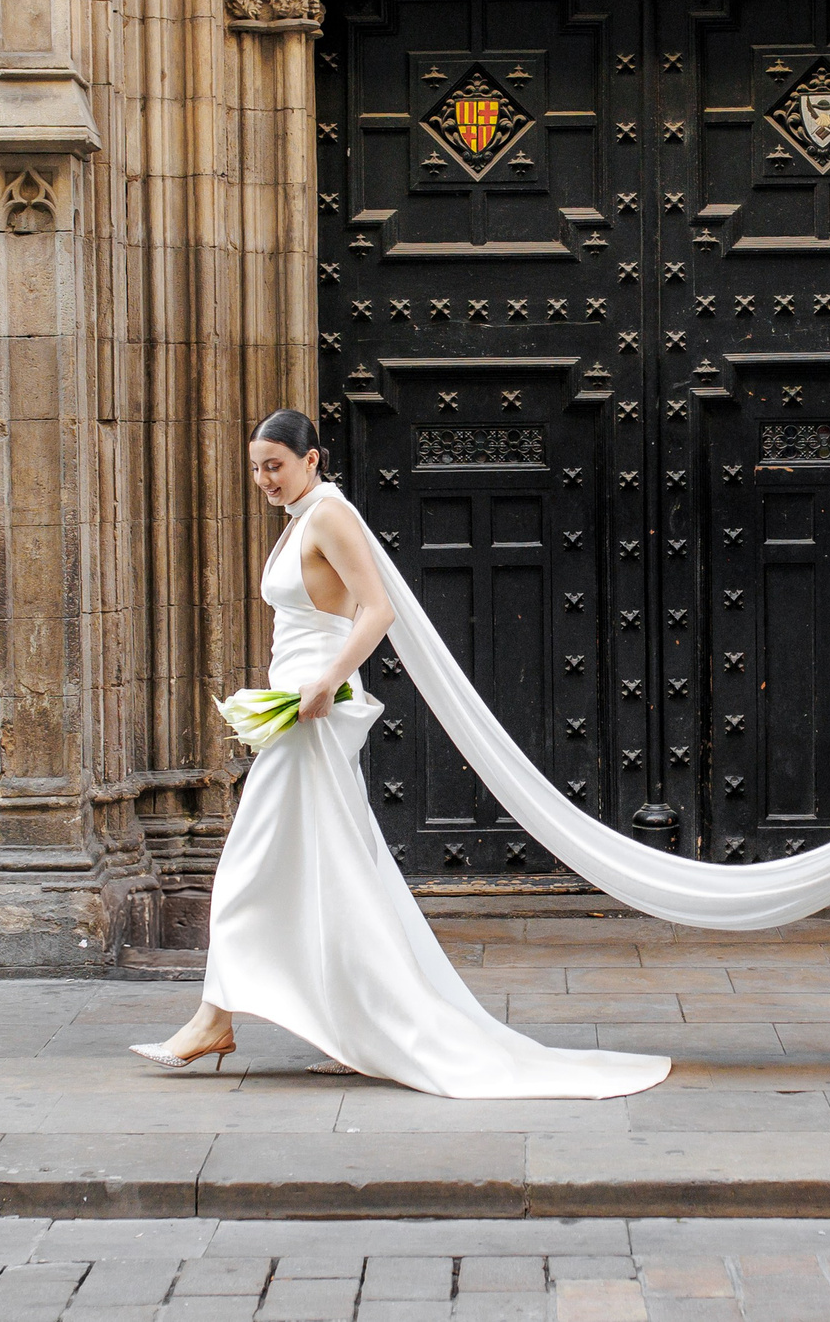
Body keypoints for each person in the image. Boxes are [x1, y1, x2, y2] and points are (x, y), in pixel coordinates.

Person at [130, 410, 669, 1099]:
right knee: (340, 874)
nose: (264, 478)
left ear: (311, 459)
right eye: (256, 466)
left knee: (248, 868)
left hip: (311, 715)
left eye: (275, 464)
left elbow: (376, 609)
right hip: (296, 712)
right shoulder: (302, 517)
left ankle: (214, 1019)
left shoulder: (327, 513)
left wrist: (328, 678)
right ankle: (360, 1029)